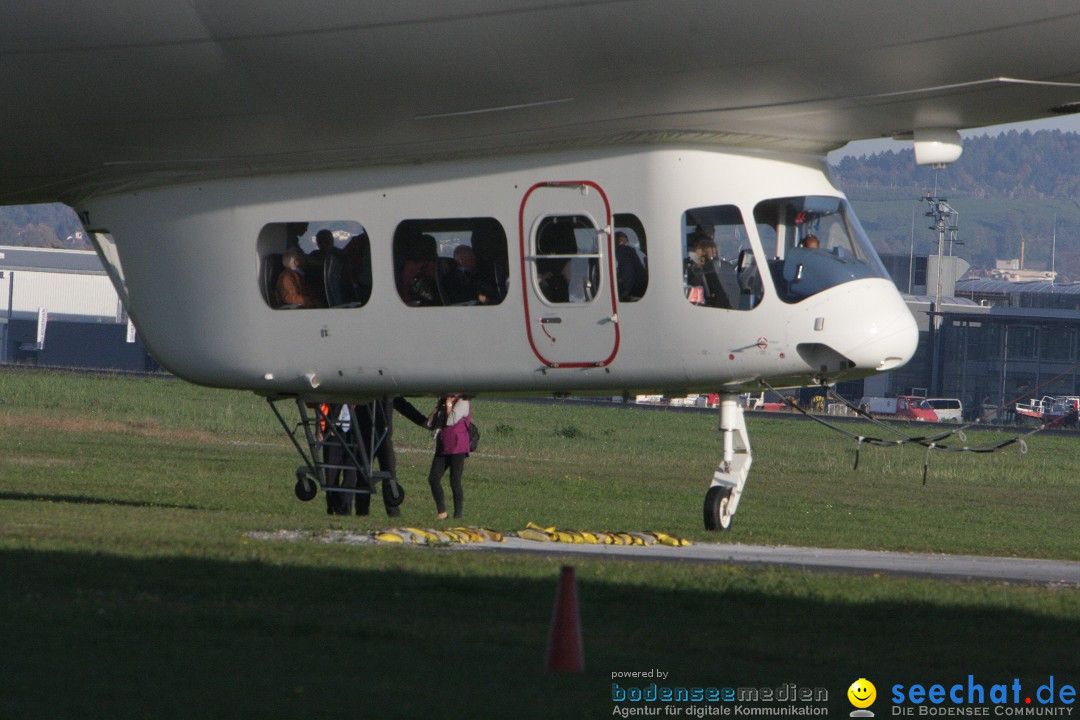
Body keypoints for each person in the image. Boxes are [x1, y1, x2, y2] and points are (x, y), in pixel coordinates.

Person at [353, 396, 429, 517]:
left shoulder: (388, 393)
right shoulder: (364, 390)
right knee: (363, 476)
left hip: (384, 439)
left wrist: (423, 421)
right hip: (365, 439)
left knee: (390, 476)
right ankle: (362, 512)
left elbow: (402, 405)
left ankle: (393, 511)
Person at [426, 394, 472, 519]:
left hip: (458, 446)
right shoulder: (444, 402)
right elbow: (430, 423)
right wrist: (438, 408)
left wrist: (449, 404)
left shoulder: (463, 401)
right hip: (443, 446)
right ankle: (442, 512)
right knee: (433, 478)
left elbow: (451, 420)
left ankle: (458, 515)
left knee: (454, 481)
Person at [614, 231, 647, 301]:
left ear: (620, 242)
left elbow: (628, 272)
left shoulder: (623, 250)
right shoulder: (636, 250)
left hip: (638, 288)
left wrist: (625, 292)